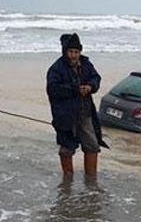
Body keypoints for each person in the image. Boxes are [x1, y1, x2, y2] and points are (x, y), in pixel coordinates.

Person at [46, 33, 107, 177]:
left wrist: (91, 86)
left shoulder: (86, 64)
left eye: (76, 52)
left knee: (92, 146)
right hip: (65, 116)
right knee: (67, 148)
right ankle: (67, 180)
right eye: (71, 52)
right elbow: (53, 89)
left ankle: (91, 180)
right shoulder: (56, 69)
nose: (73, 55)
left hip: (85, 113)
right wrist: (75, 89)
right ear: (65, 52)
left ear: (80, 52)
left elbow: (96, 78)